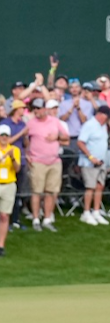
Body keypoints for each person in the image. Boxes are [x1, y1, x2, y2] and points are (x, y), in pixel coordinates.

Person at [28, 100, 69, 232]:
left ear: (45, 109)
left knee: (50, 192)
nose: (36, 111)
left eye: (38, 108)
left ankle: (47, 219)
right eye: (34, 108)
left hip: (54, 161)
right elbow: (24, 140)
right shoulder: (31, 123)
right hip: (37, 161)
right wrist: (26, 154)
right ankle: (35, 219)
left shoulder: (54, 121)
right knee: (36, 191)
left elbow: (66, 138)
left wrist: (57, 137)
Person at [77, 106, 110, 226]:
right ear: (101, 114)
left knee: (99, 186)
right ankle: (86, 213)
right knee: (90, 187)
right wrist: (91, 157)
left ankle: (96, 212)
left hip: (102, 162)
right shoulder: (89, 125)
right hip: (89, 162)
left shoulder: (104, 126)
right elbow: (80, 142)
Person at [1, 102, 28, 230]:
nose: (24, 110)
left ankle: (15, 220)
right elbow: (8, 141)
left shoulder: (23, 123)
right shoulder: (5, 123)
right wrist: (22, 133)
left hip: (19, 160)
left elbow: (25, 143)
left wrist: (26, 135)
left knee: (17, 193)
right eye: (23, 108)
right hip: (5, 164)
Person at [0, 124, 21, 257]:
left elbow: (17, 169)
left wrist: (12, 157)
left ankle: (1, 245)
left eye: (6, 135)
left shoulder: (14, 150)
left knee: (4, 215)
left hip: (9, 184)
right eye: (2, 135)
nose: (4, 138)